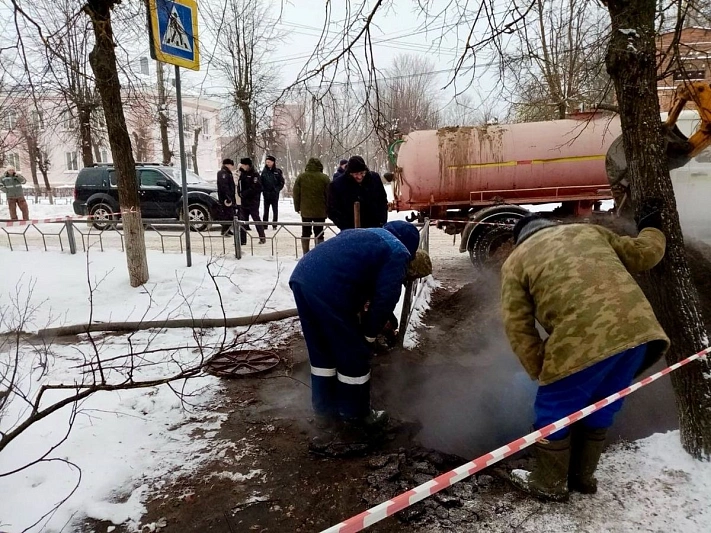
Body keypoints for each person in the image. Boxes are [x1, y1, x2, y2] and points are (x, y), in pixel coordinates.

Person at [500, 207, 670, 502]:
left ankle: (549, 483)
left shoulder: (516, 261)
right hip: (639, 332)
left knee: (553, 412)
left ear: (521, 239)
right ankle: (582, 477)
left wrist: (540, 369)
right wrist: (652, 227)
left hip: (581, 341)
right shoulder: (589, 231)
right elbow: (645, 255)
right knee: (603, 404)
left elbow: (518, 325)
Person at [289, 221, 421, 432]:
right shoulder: (398, 251)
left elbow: (356, 274)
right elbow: (385, 299)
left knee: (322, 351)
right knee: (355, 354)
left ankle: (325, 412)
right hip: (330, 288)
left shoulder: (366, 234)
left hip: (302, 276)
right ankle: (356, 416)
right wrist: (369, 335)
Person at [327, 155, 388, 230]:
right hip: (351, 230)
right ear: (350, 173)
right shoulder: (337, 185)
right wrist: (346, 227)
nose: (359, 177)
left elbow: (382, 200)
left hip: (375, 227)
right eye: (356, 174)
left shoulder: (374, 179)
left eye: (362, 173)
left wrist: (381, 221)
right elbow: (332, 210)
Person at [293, 157, 330, 255]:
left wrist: (297, 208)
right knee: (319, 232)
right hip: (320, 211)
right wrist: (328, 208)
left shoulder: (301, 177)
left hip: (306, 211)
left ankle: (306, 253)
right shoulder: (324, 178)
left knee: (305, 232)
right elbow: (329, 195)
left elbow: (296, 194)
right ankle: (318, 253)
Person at [216, 158, 247, 243]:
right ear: (228, 165)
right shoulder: (223, 173)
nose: (232, 167)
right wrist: (227, 198)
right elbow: (224, 186)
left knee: (230, 214)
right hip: (226, 199)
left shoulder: (227, 173)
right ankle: (224, 230)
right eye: (231, 165)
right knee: (228, 214)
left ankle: (227, 229)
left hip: (229, 197)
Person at [237, 157, 266, 244]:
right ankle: (242, 240)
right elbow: (240, 184)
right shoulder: (243, 173)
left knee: (256, 219)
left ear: (247, 165)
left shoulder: (255, 174)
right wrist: (240, 193)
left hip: (253, 201)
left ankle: (262, 237)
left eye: (243, 165)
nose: (242, 166)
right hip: (244, 201)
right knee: (243, 221)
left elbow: (256, 188)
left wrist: (245, 193)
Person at [260, 155, 285, 229]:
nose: (267, 163)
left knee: (275, 210)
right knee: (266, 210)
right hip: (266, 194)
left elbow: (281, 182)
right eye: (266, 162)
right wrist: (263, 190)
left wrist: (276, 189)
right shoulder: (264, 172)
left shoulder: (277, 172)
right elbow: (261, 182)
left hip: (274, 194)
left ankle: (274, 224)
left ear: (273, 162)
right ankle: (265, 224)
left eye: (269, 162)